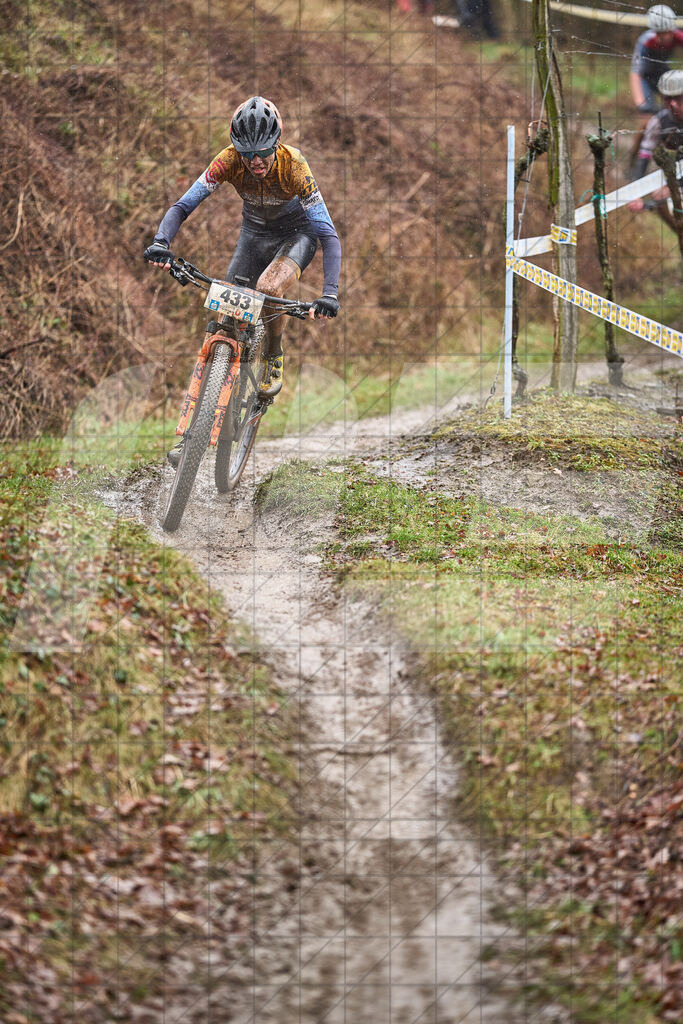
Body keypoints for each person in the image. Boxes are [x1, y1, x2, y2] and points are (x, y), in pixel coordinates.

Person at [144, 96, 341, 464]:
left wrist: (329, 292)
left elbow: (328, 235)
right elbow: (182, 206)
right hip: (253, 236)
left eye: (263, 151)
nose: (255, 161)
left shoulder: (295, 166)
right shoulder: (228, 161)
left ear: (276, 142)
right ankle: (191, 434)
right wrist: (161, 242)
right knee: (225, 316)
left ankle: (273, 355)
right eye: (247, 152)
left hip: (297, 236)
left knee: (268, 290)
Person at [628, 70, 683, 223]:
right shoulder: (659, 121)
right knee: (660, 197)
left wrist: (673, 186)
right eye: (667, 98)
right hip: (676, 178)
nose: (672, 104)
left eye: (678, 98)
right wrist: (635, 193)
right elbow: (643, 157)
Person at [630, 5, 683, 115]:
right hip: (645, 77)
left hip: (663, 73)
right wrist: (640, 101)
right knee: (647, 112)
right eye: (660, 33)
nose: (665, 37)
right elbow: (635, 73)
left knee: (673, 109)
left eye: (668, 32)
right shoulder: (646, 41)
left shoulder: (678, 36)